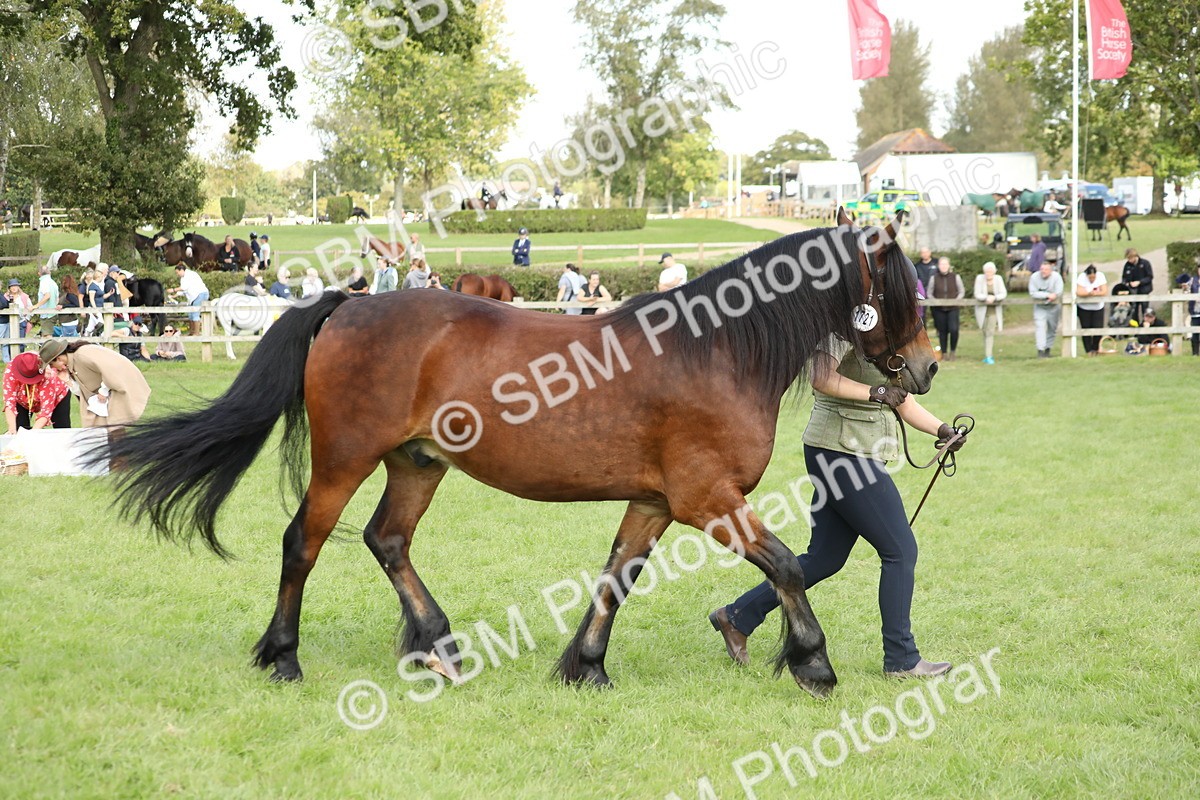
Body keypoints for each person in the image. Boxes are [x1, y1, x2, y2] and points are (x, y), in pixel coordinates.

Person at [709, 335, 966, 679]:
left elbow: (900, 400)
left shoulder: (886, 334)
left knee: (825, 558)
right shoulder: (842, 327)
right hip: (841, 453)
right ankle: (902, 659)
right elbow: (821, 377)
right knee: (900, 550)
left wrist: (943, 429)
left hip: (849, 451)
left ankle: (738, 615)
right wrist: (875, 393)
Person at [41, 339, 150, 428]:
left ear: (59, 359)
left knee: (115, 426)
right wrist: (67, 381)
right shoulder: (70, 365)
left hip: (120, 383)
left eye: (51, 364)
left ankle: (120, 454)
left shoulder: (83, 354)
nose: (52, 368)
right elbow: (83, 391)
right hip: (102, 396)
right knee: (99, 431)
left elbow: (111, 367)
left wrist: (103, 390)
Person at [3, 351, 71, 433]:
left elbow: (46, 412)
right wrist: (12, 429)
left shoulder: (48, 375)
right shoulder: (11, 370)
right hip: (22, 398)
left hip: (57, 395)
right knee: (18, 429)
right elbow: (9, 403)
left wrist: (33, 433)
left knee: (62, 430)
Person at [929, 257, 964, 361]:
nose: (943, 266)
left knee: (954, 330)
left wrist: (956, 300)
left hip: (953, 308)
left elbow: (961, 291)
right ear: (938, 266)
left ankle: (952, 351)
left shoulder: (956, 277)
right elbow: (929, 293)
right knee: (942, 331)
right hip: (939, 310)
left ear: (949, 265)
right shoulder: (933, 278)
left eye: (945, 264)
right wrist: (935, 301)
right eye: (941, 264)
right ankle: (944, 353)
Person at [973, 261, 1007, 364]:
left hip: (994, 310)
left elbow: (1003, 293)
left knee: (990, 332)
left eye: (991, 271)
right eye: (987, 271)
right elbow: (977, 293)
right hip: (982, 309)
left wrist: (995, 298)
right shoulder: (979, 278)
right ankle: (987, 354)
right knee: (984, 331)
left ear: (994, 271)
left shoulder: (998, 279)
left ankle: (989, 356)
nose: (989, 273)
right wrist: (986, 298)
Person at [1028, 259, 1064, 358]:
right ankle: (1040, 350)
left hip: (1053, 307)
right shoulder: (1034, 277)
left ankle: (1048, 349)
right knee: (1040, 327)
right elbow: (1033, 293)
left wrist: (1054, 295)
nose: (1043, 271)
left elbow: (1059, 291)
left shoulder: (1056, 277)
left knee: (1052, 328)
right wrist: (1047, 295)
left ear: (1051, 270)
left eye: (1046, 269)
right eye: (1042, 269)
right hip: (1040, 307)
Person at [167, 264, 210, 337]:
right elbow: (183, 291)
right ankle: (191, 332)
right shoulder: (183, 278)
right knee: (190, 315)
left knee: (195, 314)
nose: (177, 274)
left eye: (177, 272)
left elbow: (184, 287)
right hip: (194, 296)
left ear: (181, 270)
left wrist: (173, 290)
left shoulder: (190, 275)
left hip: (200, 294)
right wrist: (174, 296)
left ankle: (196, 333)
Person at [1075, 264, 1108, 356]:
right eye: (1090, 278)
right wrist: (1089, 293)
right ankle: (1088, 351)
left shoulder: (1101, 276)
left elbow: (1104, 291)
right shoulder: (1081, 277)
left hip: (1098, 307)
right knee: (1086, 329)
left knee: (1098, 329)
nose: (1092, 279)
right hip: (1084, 308)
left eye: (1093, 277)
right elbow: (1079, 291)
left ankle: (1095, 348)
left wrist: (1096, 294)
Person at [1121, 248, 1153, 324]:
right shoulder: (1127, 265)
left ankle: (1145, 327)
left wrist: (1139, 282)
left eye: (1130, 258)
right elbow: (1124, 278)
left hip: (1144, 291)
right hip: (1132, 292)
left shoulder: (1145, 263)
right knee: (1133, 312)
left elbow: (1149, 276)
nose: (1129, 260)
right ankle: (1136, 329)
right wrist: (1127, 284)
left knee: (1145, 310)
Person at [30, 264, 60, 338]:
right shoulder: (53, 282)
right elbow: (57, 298)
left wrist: (35, 306)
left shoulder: (44, 282)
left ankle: (52, 349)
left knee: (47, 336)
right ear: (49, 272)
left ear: (39, 273)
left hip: (47, 314)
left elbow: (47, 296)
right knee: (44, 335)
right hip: (53, 312)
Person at [1177, 270, 1200, 356]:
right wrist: (1185, 287)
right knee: (1195, 333)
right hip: (1195, 311)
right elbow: (1186, 293)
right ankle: (1195, 353)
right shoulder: (1192, 281)